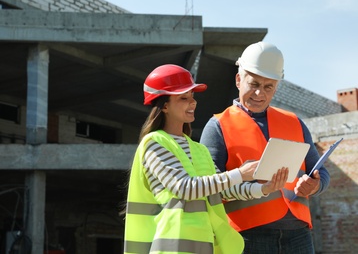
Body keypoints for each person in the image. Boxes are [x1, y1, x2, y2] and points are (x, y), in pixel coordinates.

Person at [123, 64, 288, 254]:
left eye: (193, 97)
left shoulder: (198, 149)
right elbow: (184, 188)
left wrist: (262, 189)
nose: (192, 103)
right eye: (184, 98)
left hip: (204, 245)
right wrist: (240, 174)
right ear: (165, 105)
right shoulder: (154, 143)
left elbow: (219, 190)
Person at [200, 41, 331, 254]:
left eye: (268, 87)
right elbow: (210, 187)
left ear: (276, 87)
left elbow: (320, 172)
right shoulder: (218, 126)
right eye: (254, 84)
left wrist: (315, 185)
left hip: (298, 235)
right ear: (238, 80)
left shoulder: (294, 122)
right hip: (247, 237)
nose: (259, 93)